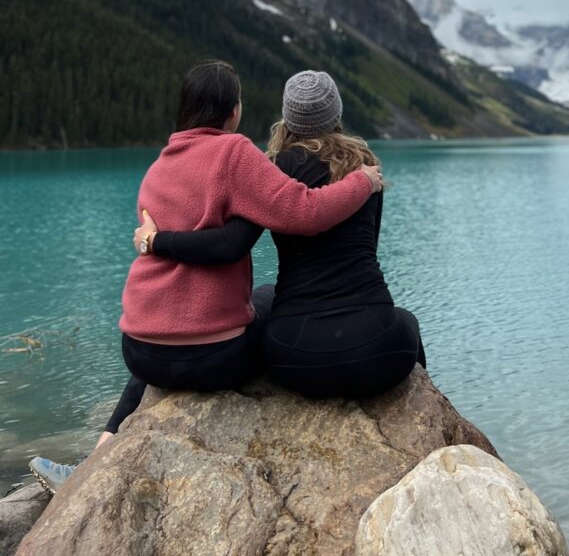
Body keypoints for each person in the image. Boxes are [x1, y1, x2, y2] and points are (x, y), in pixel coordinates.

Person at [29, 60, 382, 494]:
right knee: (271, 299)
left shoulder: (159, 166)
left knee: (167, 325)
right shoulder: (235, 153)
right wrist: (363, 182)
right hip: (214, 361)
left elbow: (226, 243)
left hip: (140, 351)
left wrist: (156, 243)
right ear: (233, 111)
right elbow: (301, 212)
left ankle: (93, 461)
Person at [133, 70, 425, 399]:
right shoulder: (367, 166)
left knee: (266, 298)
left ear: (288, 117)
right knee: (406, 321)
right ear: (337, 113)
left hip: (295, 356)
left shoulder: (269, 171)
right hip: (380, 348)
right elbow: (365, 242)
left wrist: (155, 241)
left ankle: (115, 425)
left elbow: (233, 242)